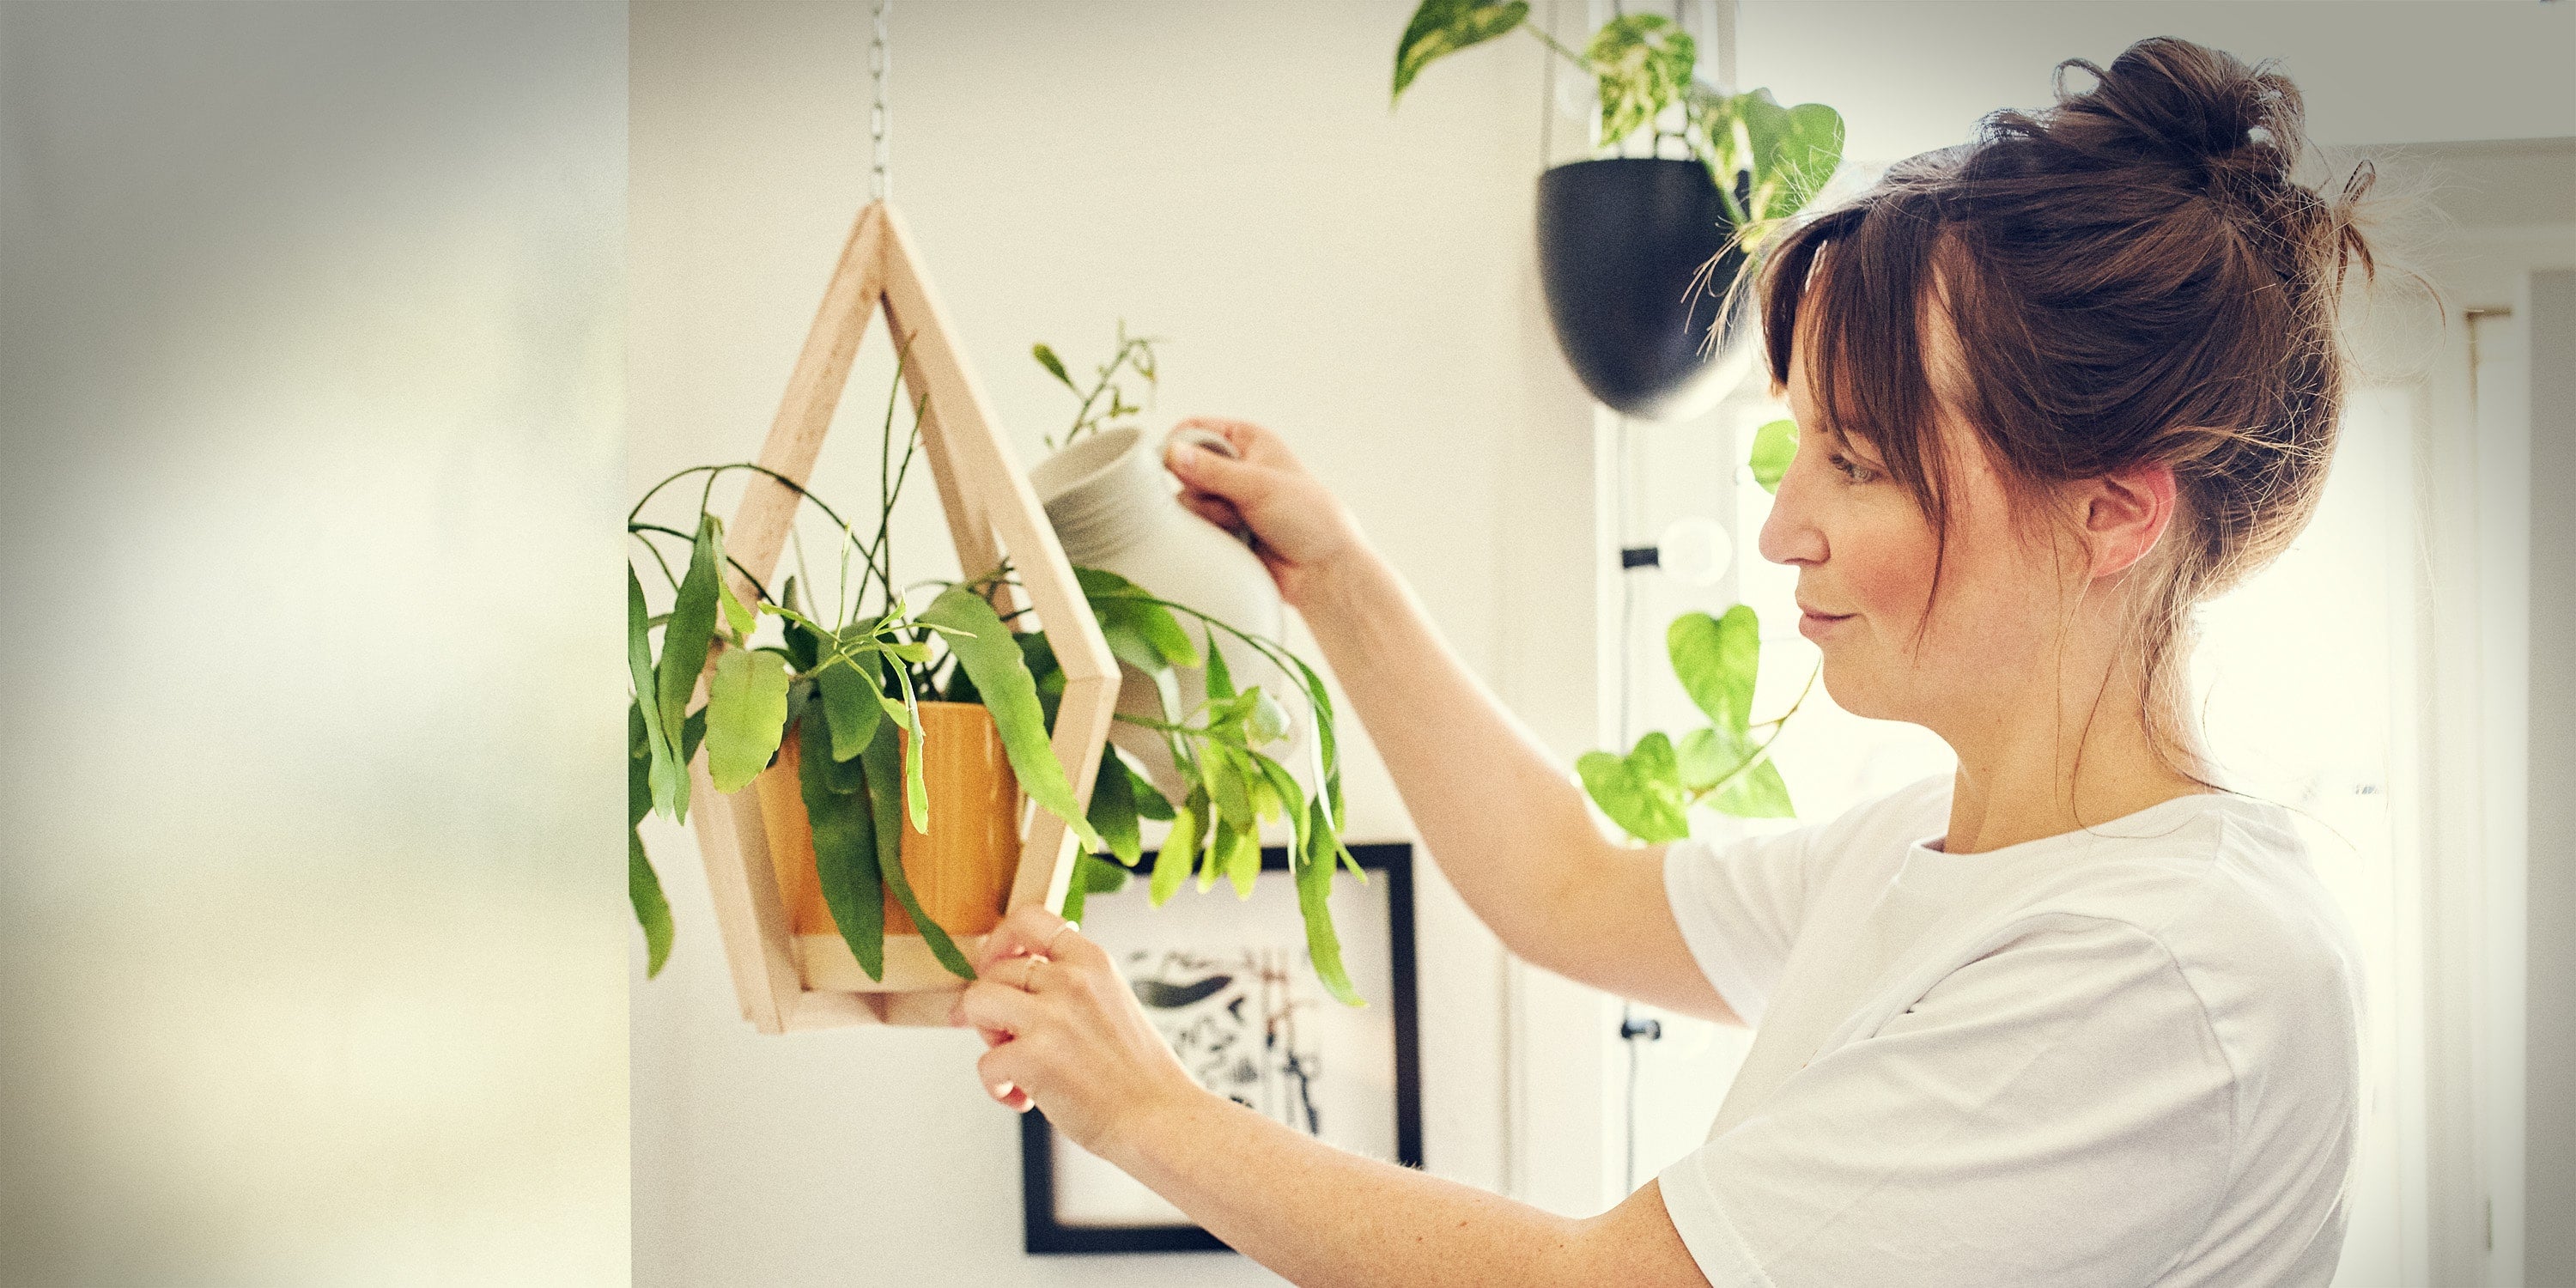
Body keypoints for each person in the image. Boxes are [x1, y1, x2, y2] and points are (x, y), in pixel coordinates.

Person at [952, 35, 2376, 1287]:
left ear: (2113, 510)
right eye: (1799, 451)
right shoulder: (1929, 852)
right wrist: (1331, 575)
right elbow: (1565, 889)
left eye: (1858, 463)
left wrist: (1152, 1114)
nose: (1783, 530)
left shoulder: (2169, 966)